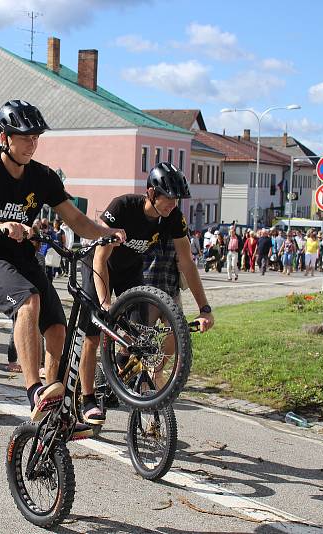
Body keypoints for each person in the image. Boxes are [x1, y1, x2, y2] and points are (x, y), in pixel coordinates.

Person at [0, 99, 126, 435]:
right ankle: (34, 389)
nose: (31, 143)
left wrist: (108, 233)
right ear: (4, 137)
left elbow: (76, 219)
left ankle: (54, 411)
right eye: (24, 137)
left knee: (57, 330)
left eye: (36, 137)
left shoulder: (42, 176)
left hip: (23, 258)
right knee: (29, 302)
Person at [78, 162, 215, 426]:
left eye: (176, 199)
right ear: (151, 192)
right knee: (94, 335)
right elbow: (100, 257)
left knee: (139, 335)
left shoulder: (173, 217)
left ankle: (115, 367)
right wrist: (106, 304)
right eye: (168, 198)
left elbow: (186, 262)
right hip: (97, 267)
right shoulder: (123, 206)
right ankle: (87, 399)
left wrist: (205, 308)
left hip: (130, 270)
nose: (172, 204)